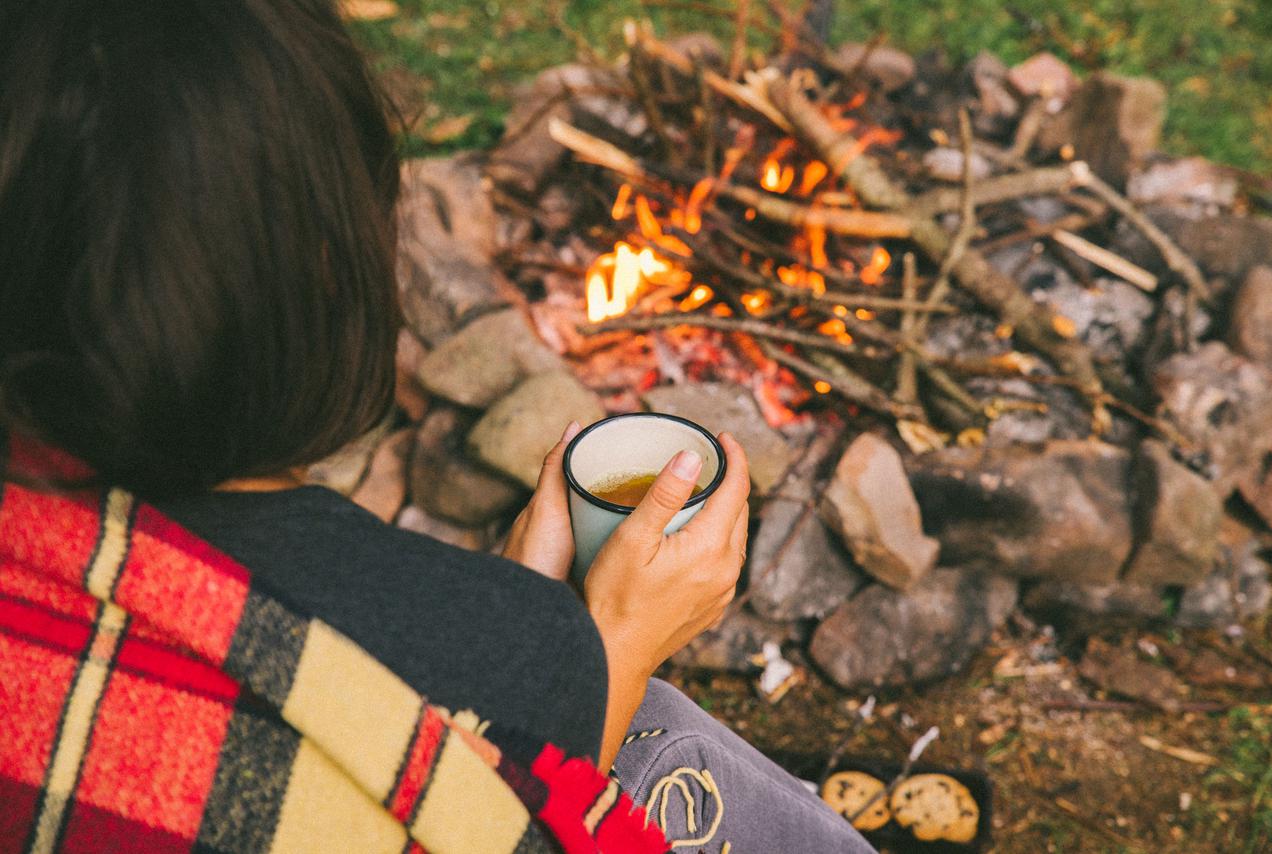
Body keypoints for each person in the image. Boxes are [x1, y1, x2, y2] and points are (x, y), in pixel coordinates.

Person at [0, 0, 873, 851]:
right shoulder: (499, 650)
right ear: (332, 271)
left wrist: (511, 631)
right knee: (672, 748)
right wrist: (608, 654)